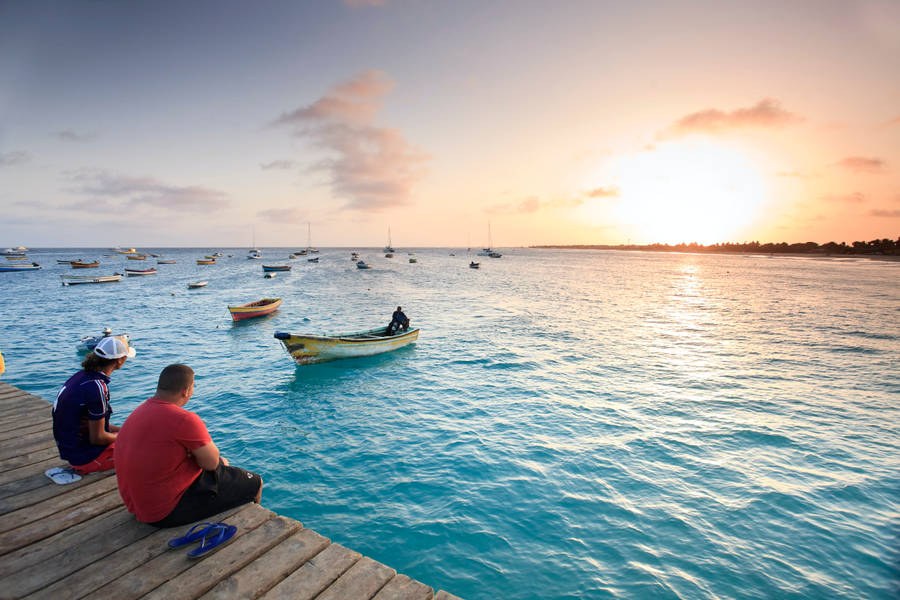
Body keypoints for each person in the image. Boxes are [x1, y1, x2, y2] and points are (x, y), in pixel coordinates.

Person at [115, 364, 263, 527]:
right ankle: (253, 526)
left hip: (138, 506)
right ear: (186, 391)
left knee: (223, 463)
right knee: (255, 482)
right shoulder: (184, 419)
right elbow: (211, 463)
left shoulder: (139, 412)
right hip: (165, 513)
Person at [52, 336, 134, 474]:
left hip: (71, 450)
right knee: (143, 448)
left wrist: (125, 430)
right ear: (120, 360)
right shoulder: (97, 387)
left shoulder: (81, 377)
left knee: (130, 435)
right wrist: (127, 436)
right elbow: (98, 437)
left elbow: (92, 425)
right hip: (85, 457)